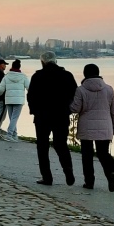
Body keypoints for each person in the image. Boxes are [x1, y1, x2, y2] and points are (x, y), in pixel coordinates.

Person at [27, 51, 77, 186]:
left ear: (42, 62)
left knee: (42, 146)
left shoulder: (37, 76)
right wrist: (68, 109)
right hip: (61, 115)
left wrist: (34, 111)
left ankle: (47, 177)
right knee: (61, 144)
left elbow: (31, 96)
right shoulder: (67, 76)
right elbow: (75, 94)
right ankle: (68, 171)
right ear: (56, 61)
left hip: (42, 116)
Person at [70, 63, 114, 191]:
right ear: (98, 73)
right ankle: (110, 173)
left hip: (86, 126)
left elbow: (75, 109)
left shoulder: (81, 90)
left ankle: (89, 182)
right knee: (103, 154)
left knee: (87, 155)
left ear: (85, 74)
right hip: (105, 125)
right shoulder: (109, 89)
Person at [0, 59, 30, 142]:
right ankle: (9, 135)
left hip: (9, 100)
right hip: (19, 100)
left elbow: (0, 89)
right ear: (19, 67)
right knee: (14, 118)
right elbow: (29, 88)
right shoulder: (23, 76)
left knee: (12, 118)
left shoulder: (7, 76)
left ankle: (15, 135)